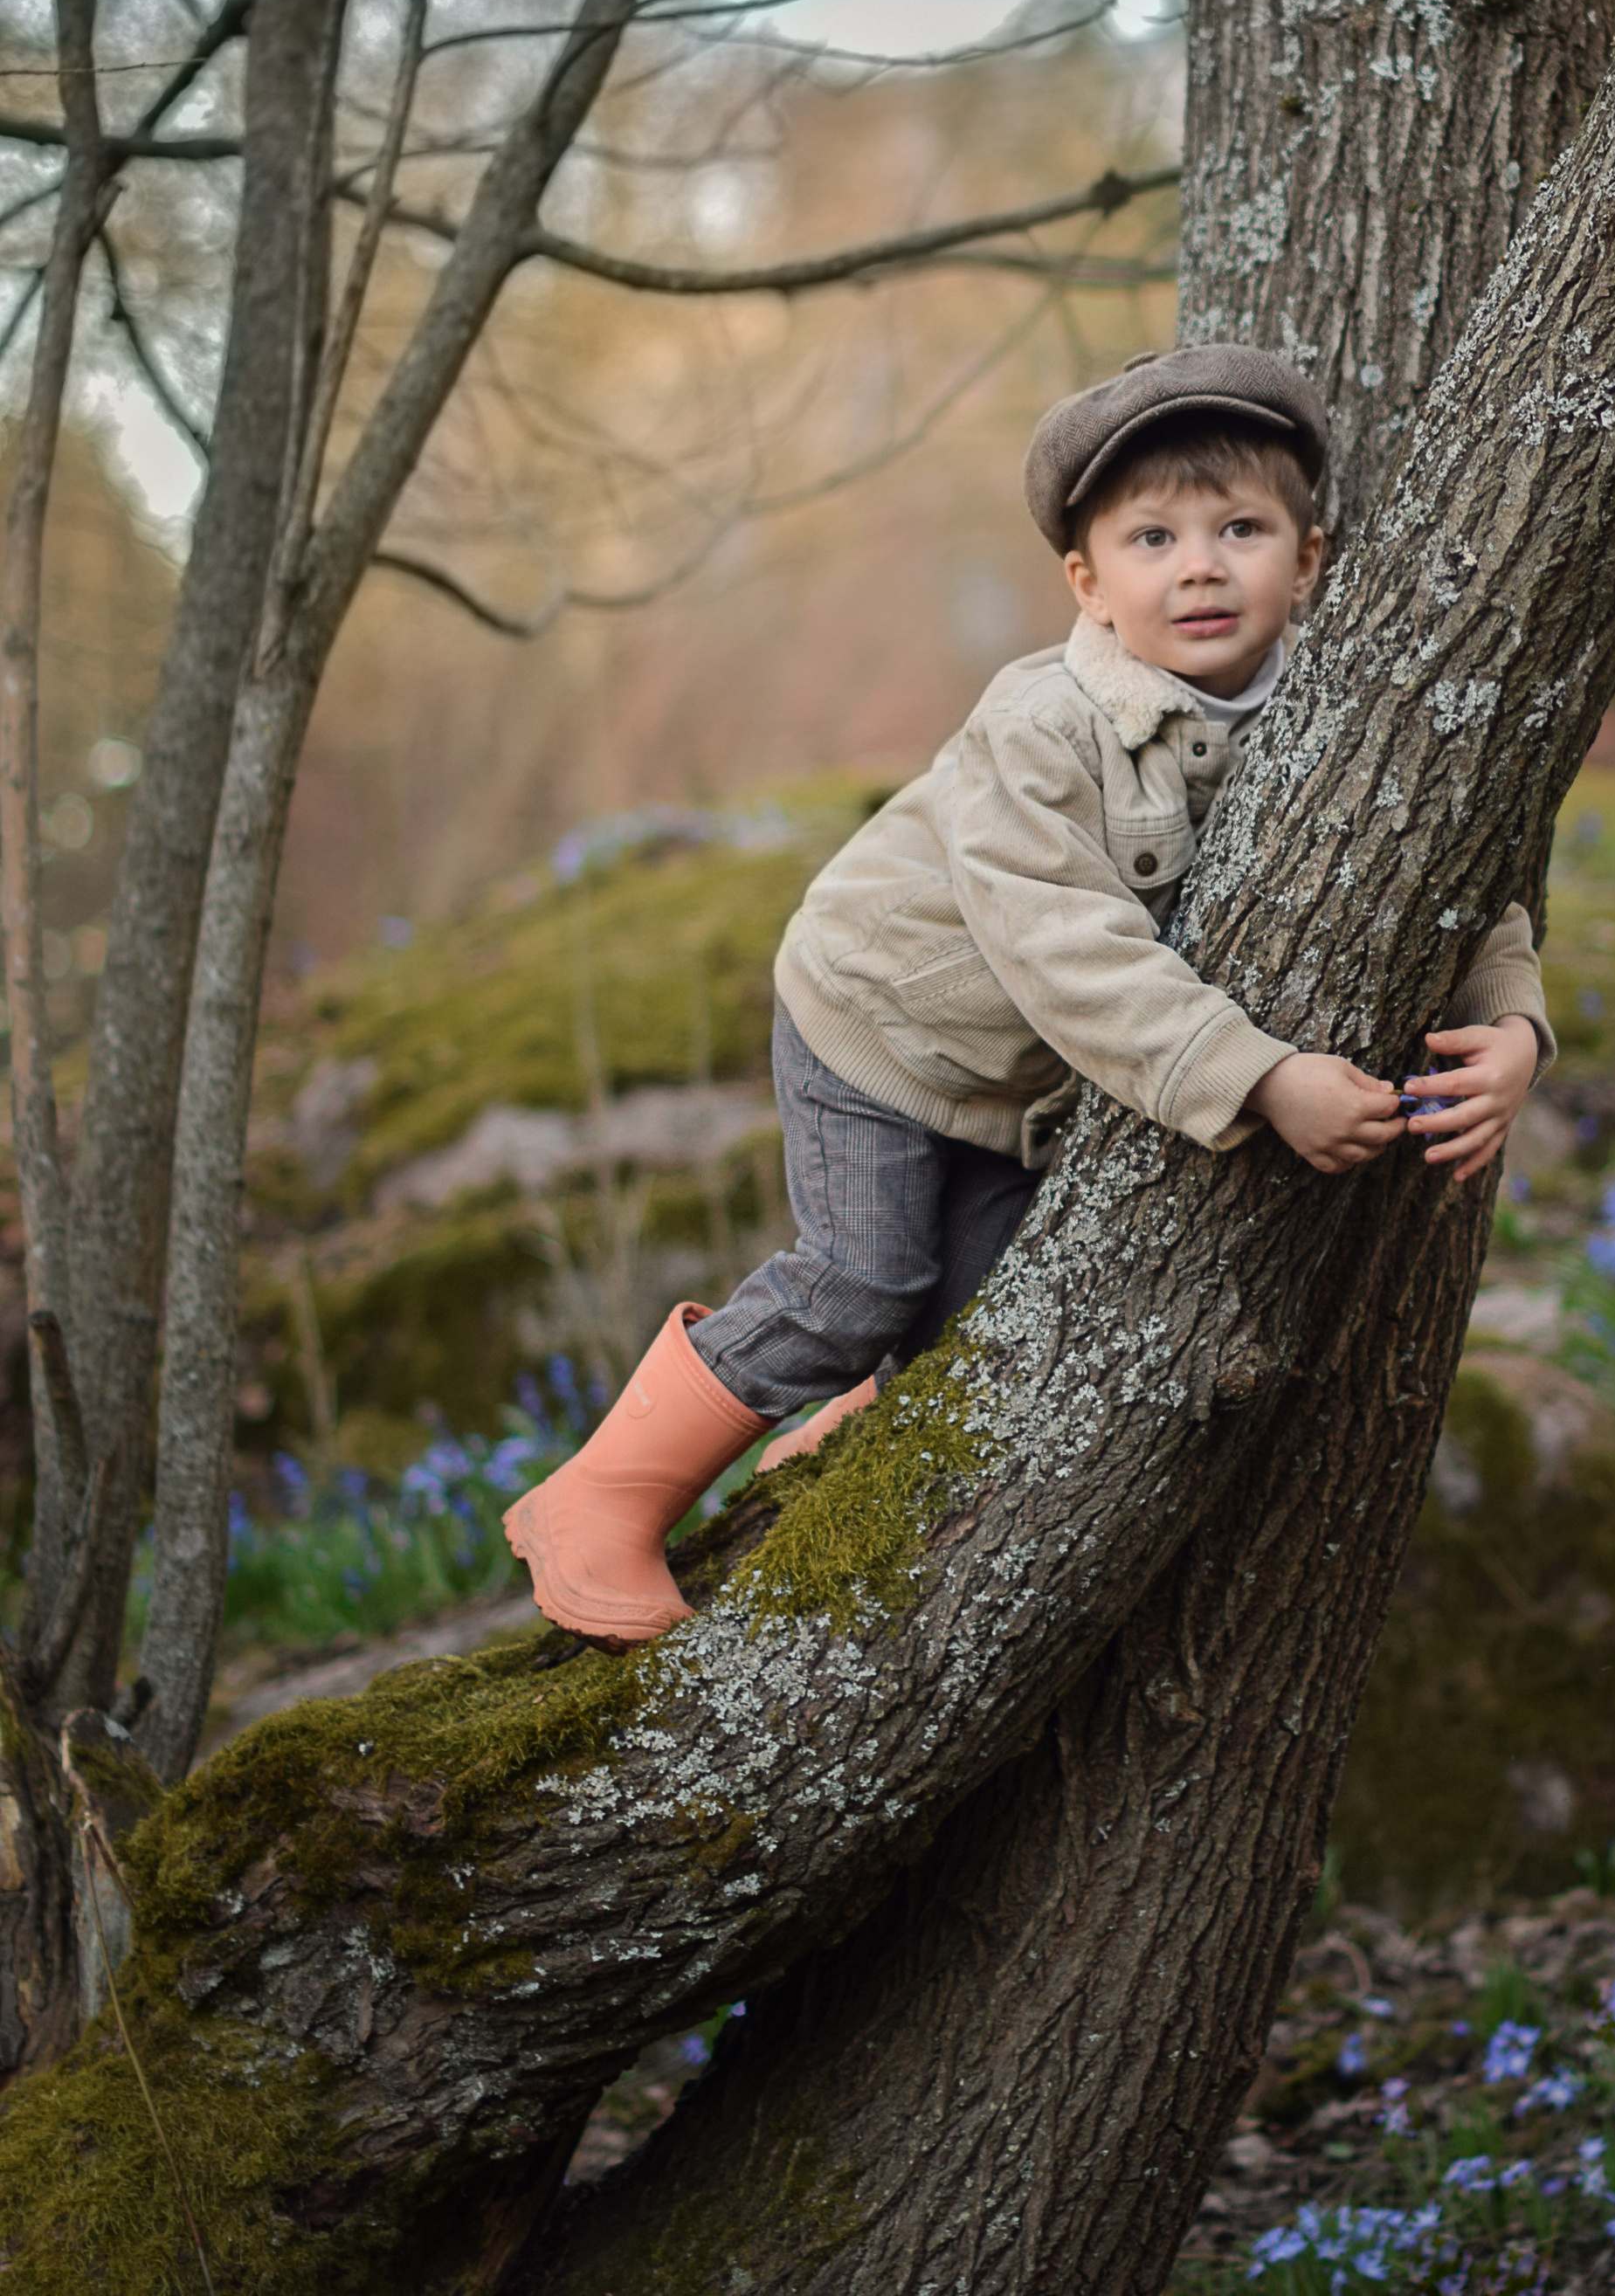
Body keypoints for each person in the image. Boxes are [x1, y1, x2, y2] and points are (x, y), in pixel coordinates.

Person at [504, 344, 1554, 1646]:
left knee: (988, 1331)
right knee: (862, 1280)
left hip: (1016, 1085)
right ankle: (599, 1497)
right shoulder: (1041, 725)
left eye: (1241, 529)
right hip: (880, 1025)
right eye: (1153, 537)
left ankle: (839, 1429)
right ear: (1088, 581)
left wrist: (1511, 1026)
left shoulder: (1337, 719)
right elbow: (1066, 949)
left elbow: (1451, 869)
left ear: (1311, 558)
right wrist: (1263, 1076)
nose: (1201, 566)